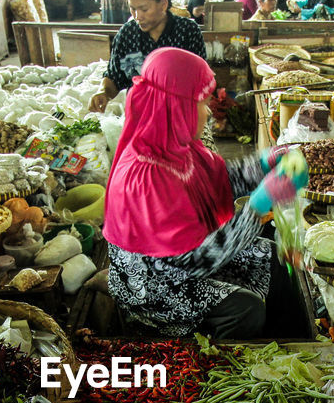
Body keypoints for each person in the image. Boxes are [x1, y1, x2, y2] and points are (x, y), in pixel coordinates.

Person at [104, 48, 307, 338]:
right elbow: (199, 259)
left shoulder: (174, 146)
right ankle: (211, 356)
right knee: (246, 309)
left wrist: (266, 162)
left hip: (181, 261)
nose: (209, 110)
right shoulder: (146, 177)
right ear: (175, 106)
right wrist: (258, 206)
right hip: (152, 284)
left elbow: (218, 183)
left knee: (274, 258)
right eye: (200, 102)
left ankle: (282, 338)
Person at [90, 0, 206, 112]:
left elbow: (202, 81)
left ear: (163, 3)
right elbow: (114, 77)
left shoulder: (188, 32)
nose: (138, 16)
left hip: (180, 119)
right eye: (133, 9)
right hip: (139, 120)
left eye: (144, 9)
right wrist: (104, 92)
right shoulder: (126, 35)